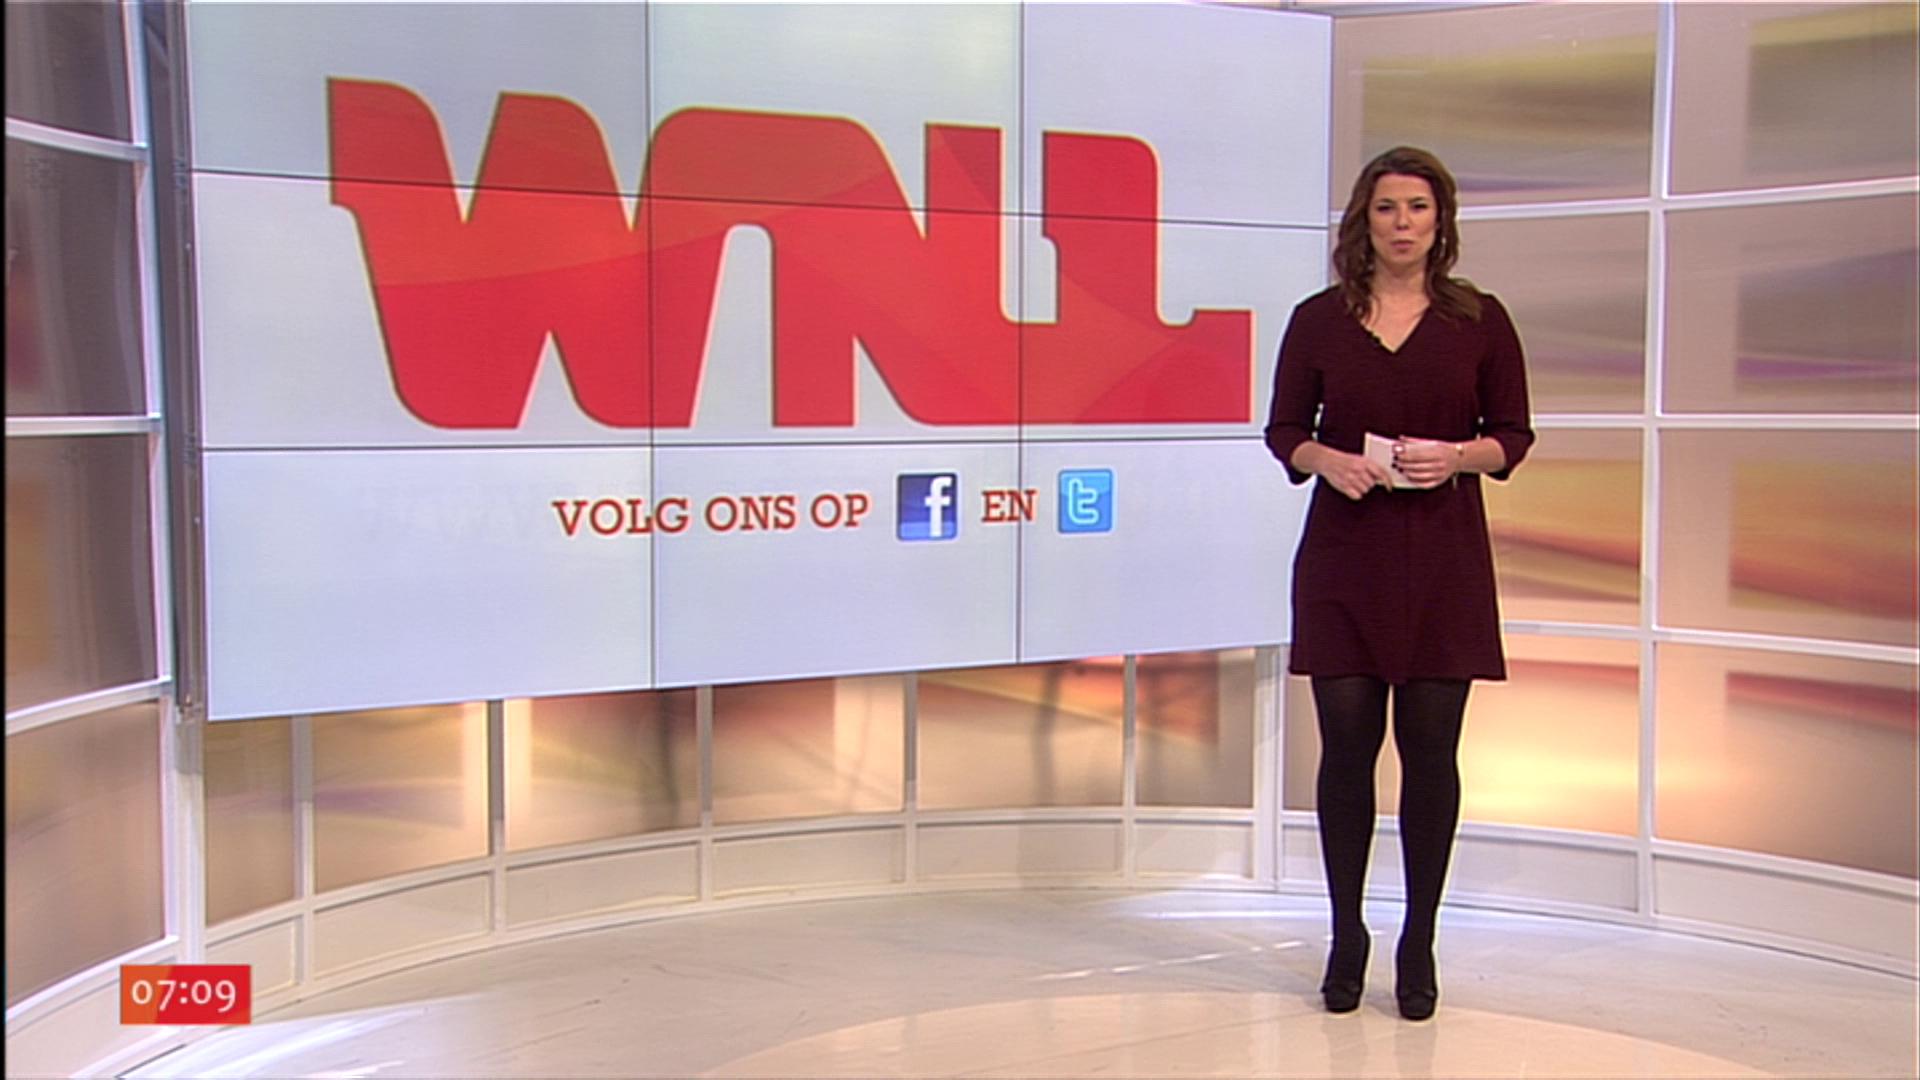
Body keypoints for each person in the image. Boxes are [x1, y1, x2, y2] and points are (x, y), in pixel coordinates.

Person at [1263, 146, 1534, 1021]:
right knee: (1346, 753)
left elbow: (1513, 435)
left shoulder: (1479, 320)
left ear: (1440, 220)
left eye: (1418, 207)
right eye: (1387, 208)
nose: (1403, 223)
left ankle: (1419, 937)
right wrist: (1326, 459)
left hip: (1443, 557)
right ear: (1364, 221)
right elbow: (1282, 430)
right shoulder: (1318, 320)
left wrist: (1457, 455)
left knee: (1430, 753)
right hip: (1345, 554)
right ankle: (1347, 933)